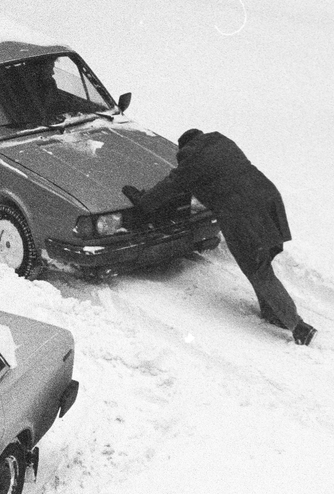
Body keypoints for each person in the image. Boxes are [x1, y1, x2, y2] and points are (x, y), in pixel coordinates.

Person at [124, 129, 316, 345]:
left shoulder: (192, 162)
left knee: (259, 270)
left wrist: (143, 202)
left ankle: (298, 327)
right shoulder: (223, 143)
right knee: (263, 259)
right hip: (269, 199)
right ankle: (273, 312)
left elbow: (168, 187)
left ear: (184, 149)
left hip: (241, 215)